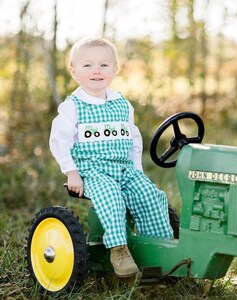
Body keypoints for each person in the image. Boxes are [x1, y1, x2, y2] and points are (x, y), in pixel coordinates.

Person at [49, 36, 173, 278]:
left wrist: (137, 171)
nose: (96, 71)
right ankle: (119, 249)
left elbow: (133, 140)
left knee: (152, 196)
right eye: (87, 65)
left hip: (124, 168)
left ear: (115, 69)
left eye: (104, 65)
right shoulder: (73, 106)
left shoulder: (122, 104)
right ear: (74, 71)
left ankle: (158, 248)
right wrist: (71, 171)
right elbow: (59, 139)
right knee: (111, 196)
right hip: (92, 170)